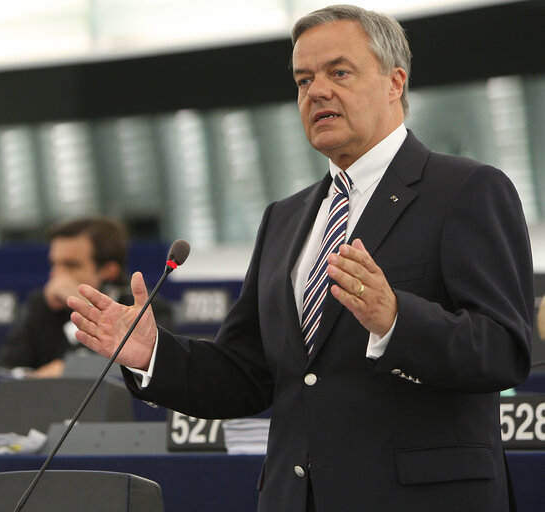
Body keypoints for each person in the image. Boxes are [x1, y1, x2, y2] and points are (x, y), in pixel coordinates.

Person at [67, 5, 533, 512]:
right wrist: (154, 353)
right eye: (303, 79)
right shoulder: (284, 219)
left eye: (339, 72)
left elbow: (504, 350)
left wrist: (397, 321)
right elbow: (247, 375)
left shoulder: (466, 189)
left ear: (395, 82)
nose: (317, 92)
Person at [0, 217, 172, 378]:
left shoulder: (149, 311)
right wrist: (30, 377)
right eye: (54, 264)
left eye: (70, 265)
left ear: (109, 271)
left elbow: (156, 370)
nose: (57, 275)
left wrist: (71, 368)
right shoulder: (42, 305)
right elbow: (2, 370)